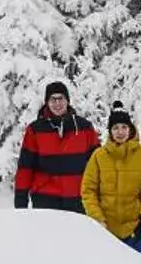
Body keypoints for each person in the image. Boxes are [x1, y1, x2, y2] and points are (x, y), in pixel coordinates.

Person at [81, 108, 141, 255]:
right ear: (110, 131)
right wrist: (97, 218)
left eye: (124, 127)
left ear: (130, 129)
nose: (120, 132)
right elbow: (88, 191)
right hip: (106, 231)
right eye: (115, 127)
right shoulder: (98, 156)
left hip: (138, 229)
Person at [13, 80, 98, 212]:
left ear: (67, 101)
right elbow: (25, 167)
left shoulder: (84, 128)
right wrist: (20, 200)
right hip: (45, 199)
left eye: (61, 98)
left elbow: (97, 165)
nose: (57, 103)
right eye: (53, 99)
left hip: (77, 198)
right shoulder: (35, 129)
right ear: (47, 102)